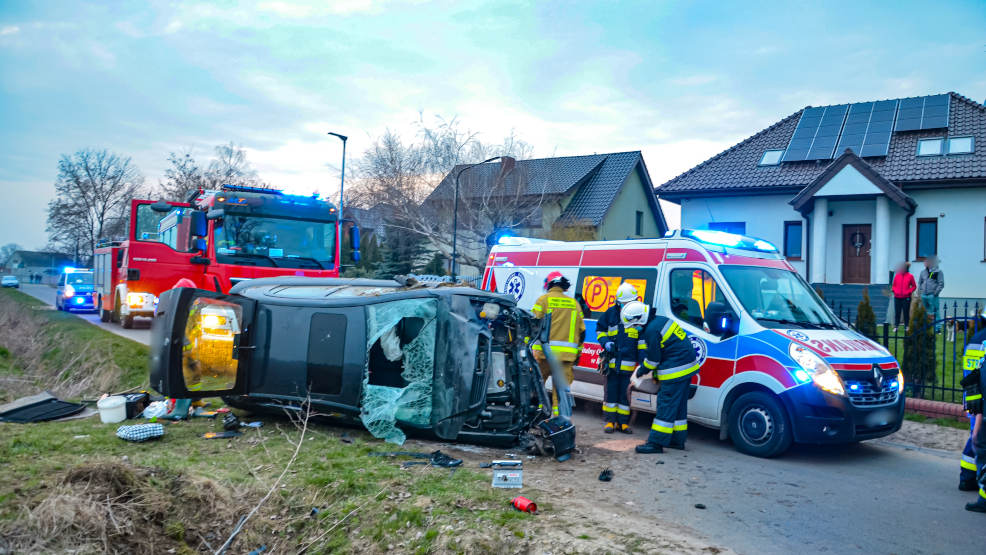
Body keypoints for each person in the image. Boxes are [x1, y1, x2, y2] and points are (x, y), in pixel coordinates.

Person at [629, 301, 700, 454]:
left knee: (666, 404)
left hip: (675, 369)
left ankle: (656, 443)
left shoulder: (651, 331)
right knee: (679, 405)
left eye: (634, 325)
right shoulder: (660, 320)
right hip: (687, 366)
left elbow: (653, 360)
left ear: (640, 319)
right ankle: (677, 440)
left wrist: (640, 371)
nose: (634, 329)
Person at [530, 271, 585, 417]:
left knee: (536, 387)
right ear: (564, 287)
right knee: (561, 393)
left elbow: (533, 326)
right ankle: (560, 424)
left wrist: (529, 348)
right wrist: (577, 355)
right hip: (565, 359)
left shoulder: (543, 300)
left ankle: (536, 417)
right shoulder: (574, 304)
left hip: (543, 356)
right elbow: (581, 332)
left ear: (549, 285)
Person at [595, 282, 640, 433]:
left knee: (625, 395)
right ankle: (609, 422)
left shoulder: (638, 314)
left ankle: (623, 423)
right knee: (610, 393)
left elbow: (641, 340)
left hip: (628, 365)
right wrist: (605, 342)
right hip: (612, 363)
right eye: (622, 303)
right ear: (618, 302)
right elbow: (600, 330)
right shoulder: (611, 313)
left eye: (628, 303)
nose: (625, 306)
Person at [959, 308, 986, 511]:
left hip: (974, 401)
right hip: (981, 403)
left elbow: (969, 373)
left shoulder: (975, 341)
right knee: (979, 442)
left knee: (976, 439)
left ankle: (968, 479)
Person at [918, 255, 944, 332]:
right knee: (925, 312)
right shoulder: (923, 272)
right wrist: (920, 291)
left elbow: (941, 284)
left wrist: (935, 293)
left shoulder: (938, 272)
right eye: (925, 261)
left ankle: (938, 329)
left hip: (932, 296)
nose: (925, 263)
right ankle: (926, 327)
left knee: (935, 312)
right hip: (924, 295)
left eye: (926, 261)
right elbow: (920, 282)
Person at [891, 262, 917, 331]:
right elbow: (894, 285)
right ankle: (896, 326)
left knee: (906, 312)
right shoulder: (897, 275)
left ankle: (907, 326)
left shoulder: (910, 276)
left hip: (906, 298)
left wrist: (908, 292)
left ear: (906, 268)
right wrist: (894, 290)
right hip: (897, 297)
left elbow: (914, 286)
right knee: (897, 312)